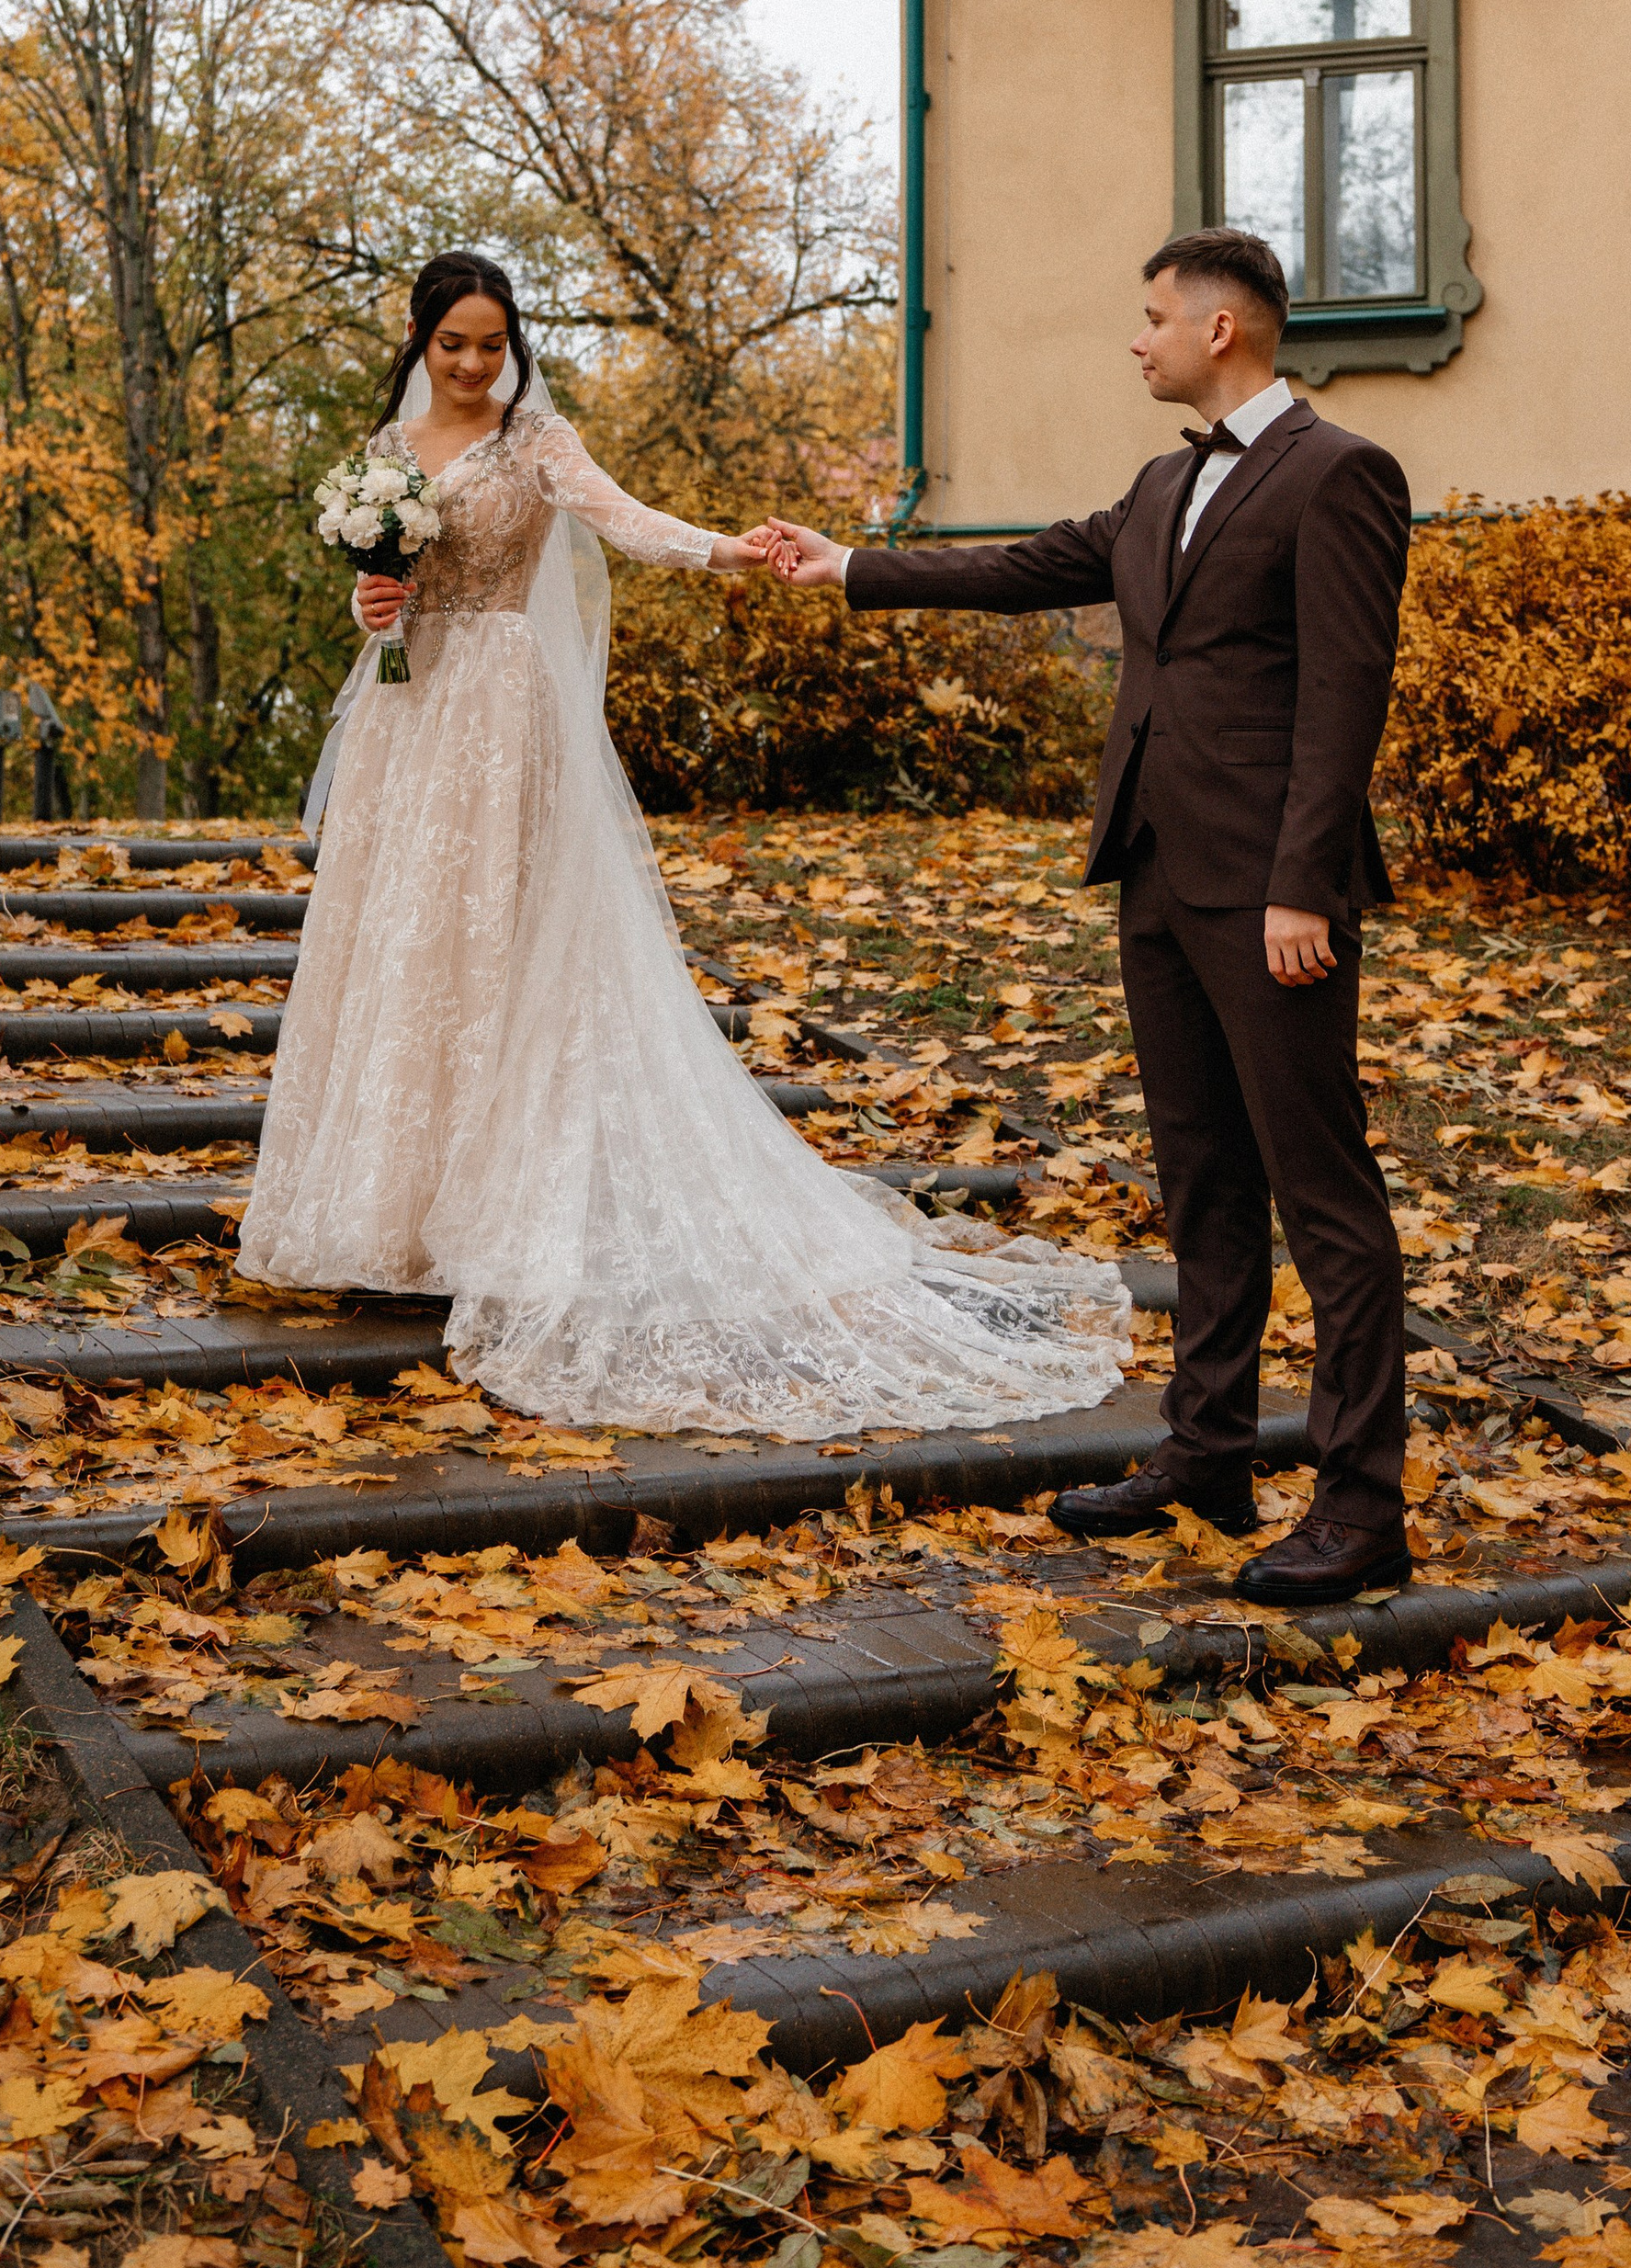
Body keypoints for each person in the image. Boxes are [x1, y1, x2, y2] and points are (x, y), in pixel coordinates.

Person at [237, 251, 1130, 1442]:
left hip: (505, 709)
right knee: (403, 949)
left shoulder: (536, 440)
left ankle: (491, 1224)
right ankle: (384, 1222)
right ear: (419, 341)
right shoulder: (384, 457)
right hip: (411, 712)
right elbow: (375, 578)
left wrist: (736, 550)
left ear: (512, 347)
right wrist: (370, 604)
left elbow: (625, 521)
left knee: (498, 955)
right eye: (453, 343)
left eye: (491, 344)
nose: (471, 363)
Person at [762, 228, 1413, 1608]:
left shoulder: (1340, 475)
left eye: (1153, 317)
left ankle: (1362, 1508)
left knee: (1325, 1195)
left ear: (1222, 329)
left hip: (1272, 894)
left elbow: (1346, 694)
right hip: (1159, 873)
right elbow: (1026, 568)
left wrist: (1307, 880)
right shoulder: (1163, 481)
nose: (1138, 339)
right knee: (1203, 1177)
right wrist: (850, 568)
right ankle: (1208, 1453)